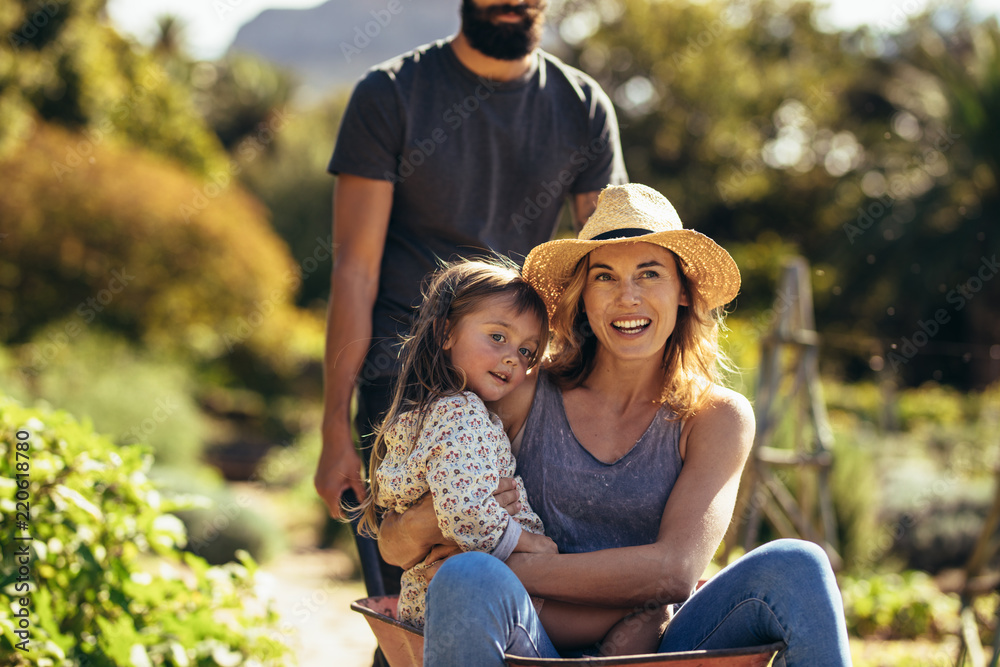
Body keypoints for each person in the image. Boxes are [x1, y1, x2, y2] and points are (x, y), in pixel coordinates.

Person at [379, 183, 853, 665]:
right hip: (534, 642)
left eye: (649, 274)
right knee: (466, 579)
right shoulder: (522, 393)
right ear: (583, 296)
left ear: (684, 291)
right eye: (605, 277)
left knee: (798, 565)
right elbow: (395, 547)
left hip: (660, 648)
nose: (627, 297)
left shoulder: (716, 418)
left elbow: (674, 572)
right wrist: (434, 517)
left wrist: (509, 561)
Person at [317, 0, 628, 605]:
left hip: (526, 388)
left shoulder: (583, 106)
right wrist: (333, 428)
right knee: (408, 606)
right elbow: (354, 271)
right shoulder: (390, 95)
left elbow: (606, 265)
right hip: (402, 385)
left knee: (521, 611)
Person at [354, 259, 669, 655]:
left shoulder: (440, 412)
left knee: (635, 617)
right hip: (478, 592)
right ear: (445, 332)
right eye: (497, 337)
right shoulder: (461, 414)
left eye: (526, 351)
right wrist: (532, 544)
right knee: (640, 616)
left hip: (464, 590)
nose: (512, 359)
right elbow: (465, 511)